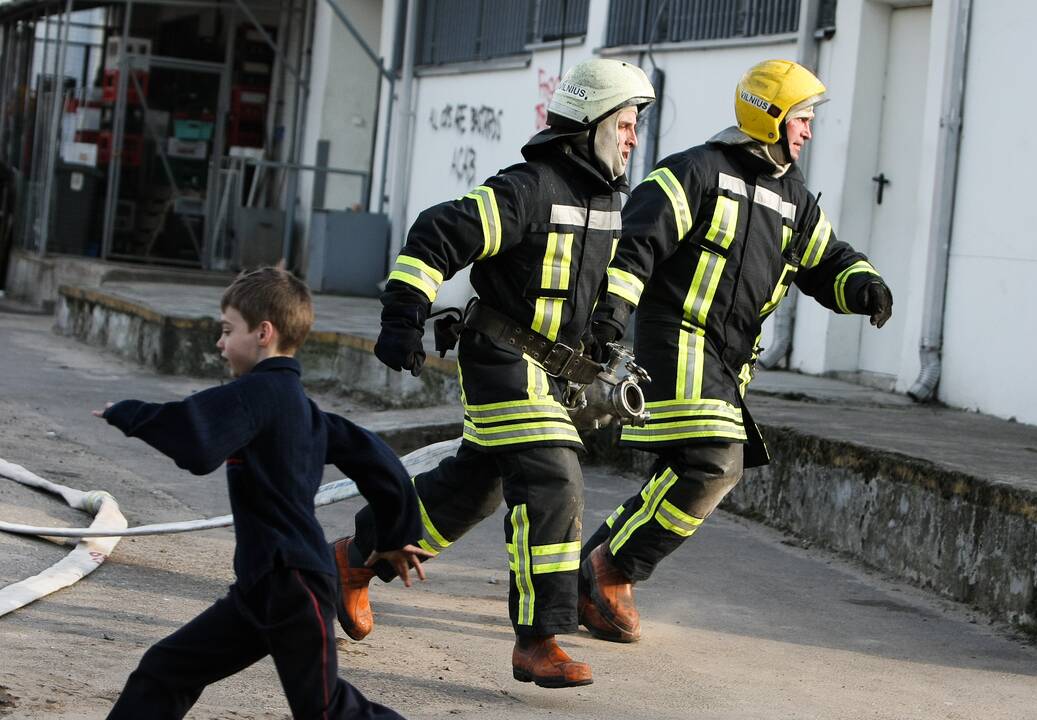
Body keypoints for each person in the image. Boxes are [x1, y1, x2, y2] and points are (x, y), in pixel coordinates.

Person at [331, 58, 655, 689]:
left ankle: (353, 560)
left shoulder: (608, 200)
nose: (633, 138)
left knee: (469, 491)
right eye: (624, 124)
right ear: (588, 125)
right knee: (553, 479)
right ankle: (538, 640)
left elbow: (613, 274)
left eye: (635, 125)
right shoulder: (528, 188)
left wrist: (609, 324)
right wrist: (404, 315)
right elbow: (436, 233)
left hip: (551, 372)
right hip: (502, 357)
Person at [577, 59, 895, 643]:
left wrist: (864, 284)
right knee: (715, 461)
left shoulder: (794, 199)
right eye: (800, 118)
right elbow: (634, 251)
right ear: (769, 118)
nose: (807, 130)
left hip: (728, 362)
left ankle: (590, 577)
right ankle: (616, 568)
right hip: (677, 345)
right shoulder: (693, 172)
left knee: (688, 468)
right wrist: (607, 322)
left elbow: (826, 259)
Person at [96, 267, 430, 719]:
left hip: (293, 581)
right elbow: (376, 459)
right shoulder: (300, 406)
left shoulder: (259, 392)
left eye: (227, 330)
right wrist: (394, 533)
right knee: (165, 671)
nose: (220, 343)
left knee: (325, 710)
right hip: (261, 586)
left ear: (263, 333)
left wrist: (128, 412)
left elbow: (197, 440)